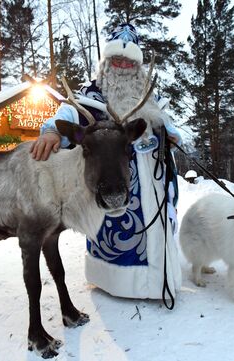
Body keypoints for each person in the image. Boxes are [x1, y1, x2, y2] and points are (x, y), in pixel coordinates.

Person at [30, 23, 182, 303]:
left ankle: (155, 280)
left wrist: (170, 135)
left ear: (137, 66)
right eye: (117, 59)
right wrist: (51, 130)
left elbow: (168, 126)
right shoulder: (91, 97)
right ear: (107, 62)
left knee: (152, 225)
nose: (123, 65)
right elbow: (67, 112)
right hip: (106, 176)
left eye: (129, 61)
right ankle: (113, 281)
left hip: (149, 180)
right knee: (114, 226)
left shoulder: (149, 97)